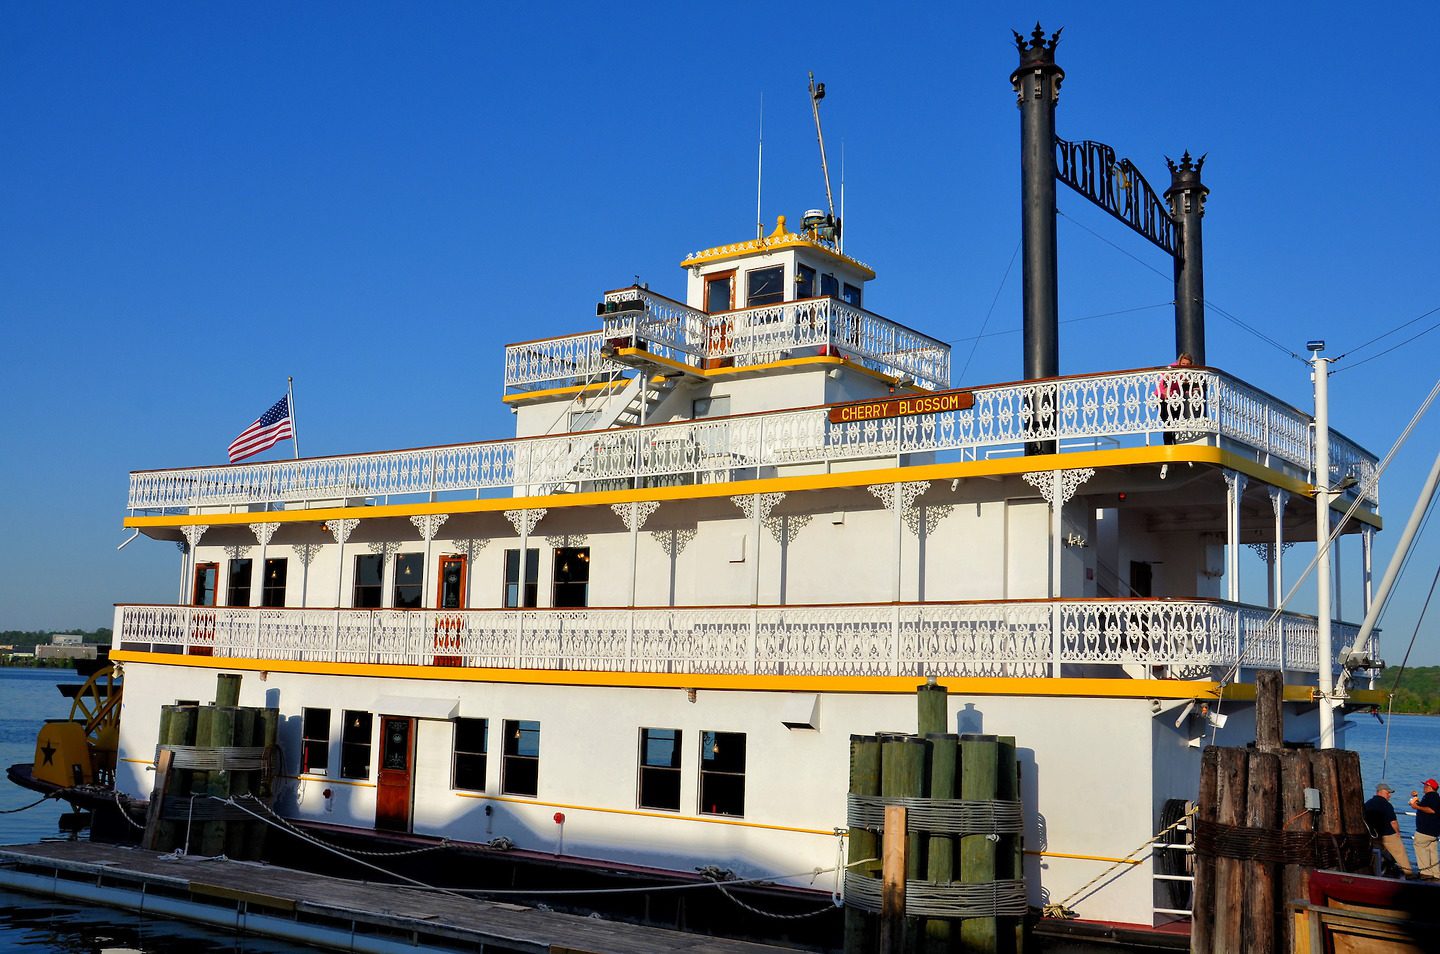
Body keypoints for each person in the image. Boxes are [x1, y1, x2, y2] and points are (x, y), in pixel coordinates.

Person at [1364, 782, 1416, 878]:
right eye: (1388, 793)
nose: (1390, 795)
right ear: (1381, 792)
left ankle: (1379, 872)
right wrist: (1397, 833)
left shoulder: (1368, 803)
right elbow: (1393, 822)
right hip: (1388, 835)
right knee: (1400, 854)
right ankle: (1409, 875)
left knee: (1377, 855)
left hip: (1374, 835)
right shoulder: (1386, 805)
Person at [1157, 353, 1194, 445]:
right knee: (1168, 423)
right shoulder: (1173, 368)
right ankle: (1168, 445)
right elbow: (1164, 380)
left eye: (1187, 365)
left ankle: (1175, 444)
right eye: (1183, 364)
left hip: (1175, 399)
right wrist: (1165, 393)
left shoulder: (1186, 374)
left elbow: (1185, 387)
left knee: (1176, 422)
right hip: (1163, 399)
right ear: (1179, 362)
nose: (1184, 366)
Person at [1409, 779, 1440, 879]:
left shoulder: (1431, 797)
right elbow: (1422, 805)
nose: (1424, 787)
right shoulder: (1434, 797)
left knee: (1420, 848)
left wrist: (1417, 807)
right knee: (1432, 853)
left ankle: (1426, 873)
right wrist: (1414, 798)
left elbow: (1431, 810)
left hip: (1425, 831)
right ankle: (1436, 874)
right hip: (1434, 832)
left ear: (1429, 787)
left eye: (1425, 785)